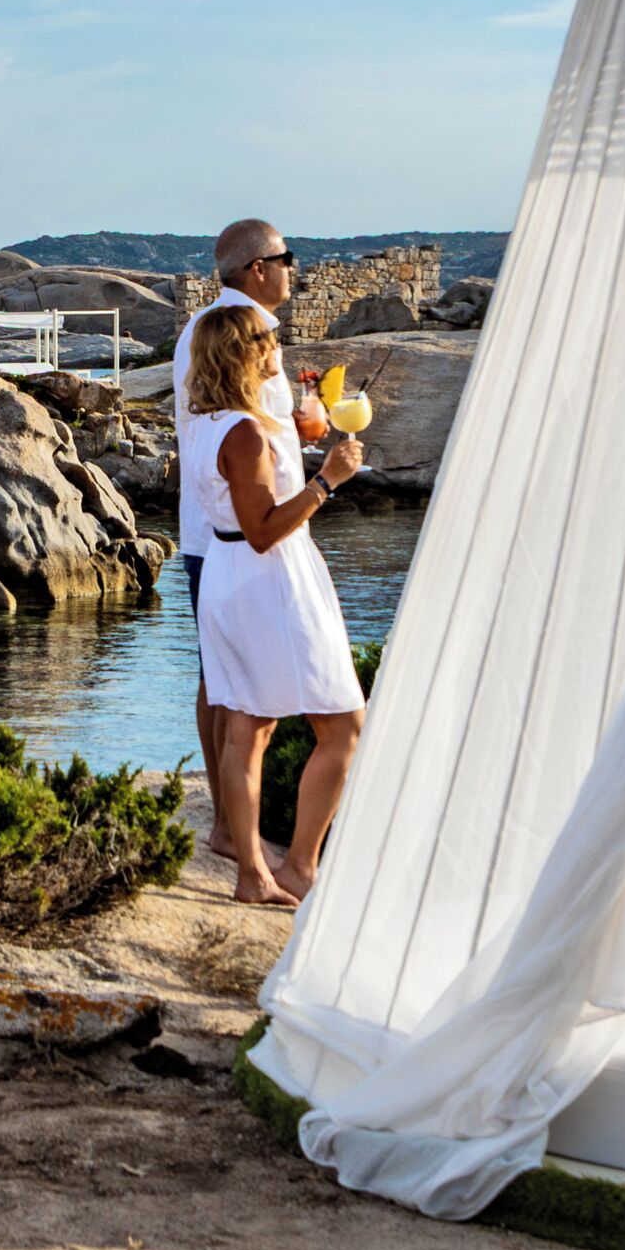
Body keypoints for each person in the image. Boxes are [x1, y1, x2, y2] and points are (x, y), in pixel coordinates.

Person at [181, 300, 365, 906]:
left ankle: (252, 874)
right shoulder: (245, 430)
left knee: (247, 729)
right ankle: (299, 868)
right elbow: (262, 528)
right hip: (270, 577)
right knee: (342, 724)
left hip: (227, 575)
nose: (277, 350)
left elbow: (243, 510)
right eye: (266, 342)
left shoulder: (209, 421)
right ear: (243, 354)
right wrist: (326, 482)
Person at [175, 219, 302, 870]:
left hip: (215, 530)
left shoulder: (208, 330)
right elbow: (234, 429)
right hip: (234, 532)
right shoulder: (234, 332)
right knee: (233, 682)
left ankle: (231, 819)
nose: (293, 269)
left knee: (222, 676)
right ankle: (230, 826)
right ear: (257, 268)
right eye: (286, 257)